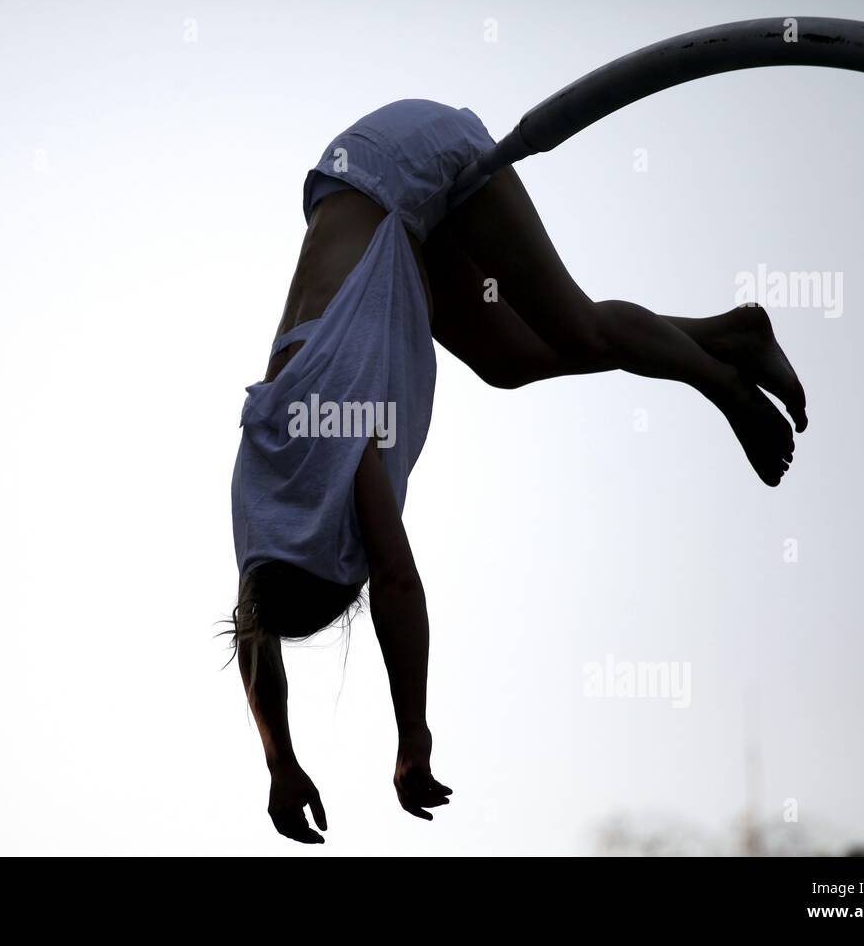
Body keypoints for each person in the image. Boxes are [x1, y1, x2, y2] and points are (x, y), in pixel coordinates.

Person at [229, 99, 805, 843]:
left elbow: (399, 584)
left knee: (574, 325)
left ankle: (723, 384)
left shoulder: (336, 433)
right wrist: (278, 761)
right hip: (379, 203)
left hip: (403, 168)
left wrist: (414, 739)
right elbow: (253, 635)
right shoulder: (265, 503)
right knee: (511, 358)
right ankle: (731, 335)